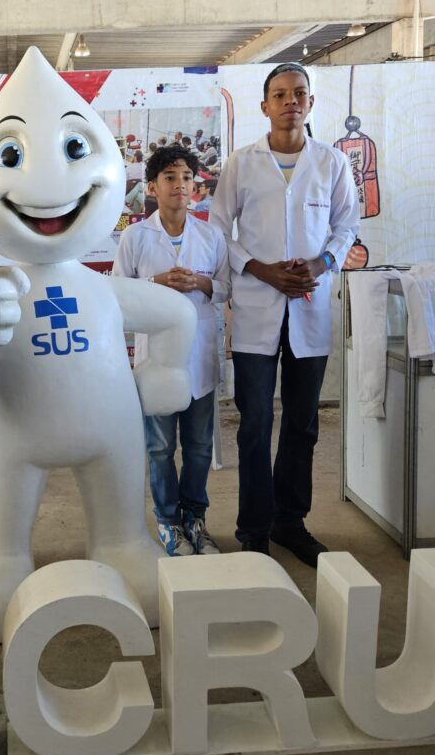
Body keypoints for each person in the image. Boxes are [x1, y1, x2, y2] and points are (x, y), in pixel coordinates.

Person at [210, 63, 359, 566]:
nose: (290, 101)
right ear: (265, 106)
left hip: (309, 307)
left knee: (303, 424)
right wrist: (259, 269)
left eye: (299, 93)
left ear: (310, 103)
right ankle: (254, 528)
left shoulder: (332, 163)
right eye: (280, 94)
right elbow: (218, 230)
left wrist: (320, 263)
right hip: (256, 306)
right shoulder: (241, 164)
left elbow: (346, 226)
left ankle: (290, 523)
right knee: (254, 423)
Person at [114, 144, 229, 557]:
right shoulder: (135, 236)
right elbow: (118, 294)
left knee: (199, 447)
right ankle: (168, 521)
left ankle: (195, 518)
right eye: (169, 178)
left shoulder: (211, 235)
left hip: (199, 358)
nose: (180, 185)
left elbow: (227, 287)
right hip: (157, 362)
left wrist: (201, 283)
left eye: (186, 178)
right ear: (152, 187)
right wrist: (157, 283)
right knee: (160, 447)